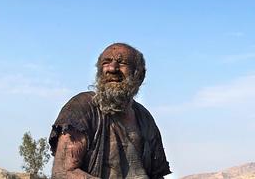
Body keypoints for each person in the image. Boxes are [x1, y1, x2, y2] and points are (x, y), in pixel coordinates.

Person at [49, 43, 171, 179]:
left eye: (122, 62)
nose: (112, 68)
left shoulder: (145, 119)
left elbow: (157, 176)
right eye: (106, 62)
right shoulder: (82, 107)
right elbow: (64, 173)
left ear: (139, 75)